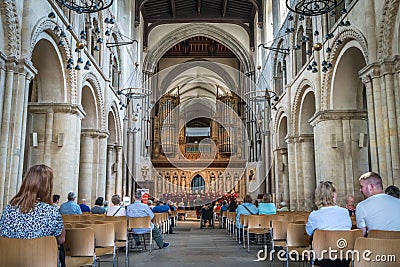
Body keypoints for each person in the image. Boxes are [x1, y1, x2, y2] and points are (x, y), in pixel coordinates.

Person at [0, 165, 66, 266]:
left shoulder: (9, 208)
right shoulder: (51, 211)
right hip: (39, 262)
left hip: (9, 262)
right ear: (47, 186)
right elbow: (61, 239)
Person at [306, 181, 351, 267]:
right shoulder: (345, 212)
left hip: (322, 258)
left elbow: (309, 233)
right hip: (344, 257)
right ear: (333, 195)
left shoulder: (314, 215)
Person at [356, 172, 400, 236]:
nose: (360, 190)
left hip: (376, 245)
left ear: (371, 186)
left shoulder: (361, 206)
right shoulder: (398, 202)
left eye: (362, 186)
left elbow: (362, 234)